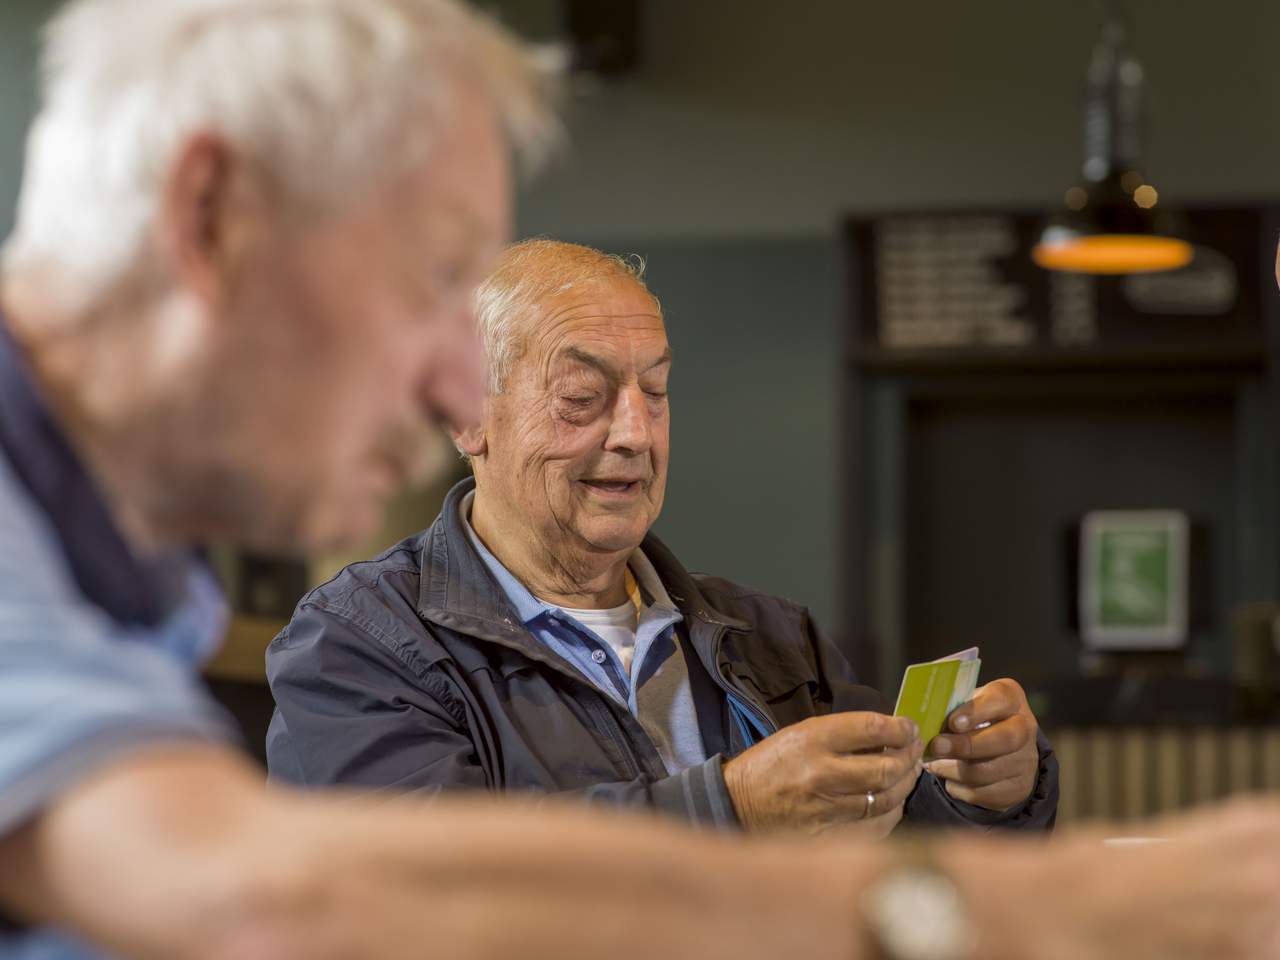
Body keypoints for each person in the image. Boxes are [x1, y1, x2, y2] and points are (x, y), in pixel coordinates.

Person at [1, 1, 1277, 958]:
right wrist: (1056, 905)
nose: (450, 381)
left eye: (654, 391)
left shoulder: (121, 572)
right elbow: (273, 894)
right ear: (211, 216)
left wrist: (1004, 811)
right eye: (429, 281)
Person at [266, 238, 1058, 837]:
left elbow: (896, 855)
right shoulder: (357, 644)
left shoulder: (774, 639)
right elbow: (418, 896)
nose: (636, 433)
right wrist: (729, 806)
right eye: (583, 397)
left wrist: (990, 792)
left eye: (656, 392)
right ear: (471, 417)